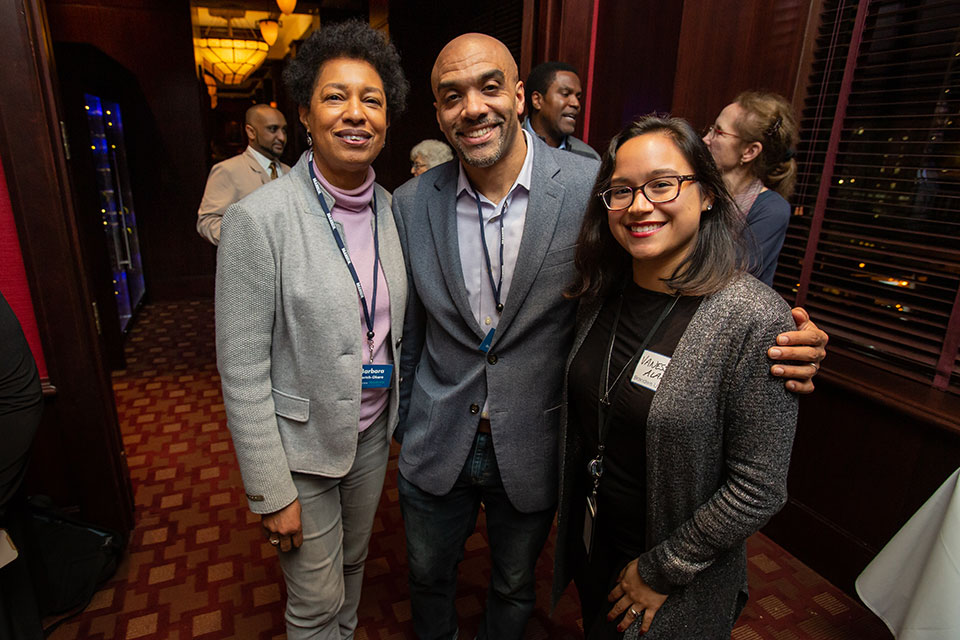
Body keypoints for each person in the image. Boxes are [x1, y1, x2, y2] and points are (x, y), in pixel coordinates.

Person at [393, 34, 824, 640]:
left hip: (537, 441)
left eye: (490, 86)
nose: (473, 107)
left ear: (519, 96)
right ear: (437, 113)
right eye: (451, 96)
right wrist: (403, 420)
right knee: (427, 577)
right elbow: (410, 330)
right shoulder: (410, 203)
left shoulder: (591, 182)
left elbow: (664, 277)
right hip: (436, 439)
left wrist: (780, 336)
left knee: (516, 585)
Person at [553, 115, 799, 639]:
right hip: (595, 540)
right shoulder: (600, 294)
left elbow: (759, 487)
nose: (639, 205)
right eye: (621, 191)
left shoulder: (752, 319)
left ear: (707, 194)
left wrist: (659, 569)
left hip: (671, 572)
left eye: (662, 184)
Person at [215, 20, 409, 639]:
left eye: (372, 100)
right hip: (301, 451)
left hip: (371, 434)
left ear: (387, 117)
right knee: (314, 600)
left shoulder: (394, 209)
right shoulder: (257, 220)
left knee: (352, 568)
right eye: (335, 96)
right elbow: (242, 373)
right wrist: (271, 491)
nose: (356, 114)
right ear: (305, 113)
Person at [703, 91, 799, 286]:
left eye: (718, 132)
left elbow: (724, 275)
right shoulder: (699, 189)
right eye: (711, 128)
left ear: (749, 151)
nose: (705, 138)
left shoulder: (772, 209)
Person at [197, 104, 290, 245]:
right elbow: (207, 222)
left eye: (284, 130)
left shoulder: (290, 172)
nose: (282, 137)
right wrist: (248, 241)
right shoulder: (228, 170)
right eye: (273, 129)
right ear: (251, 132)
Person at [523, 61, 600, 160]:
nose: (576, 104)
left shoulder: (589, 157)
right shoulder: (508, 147)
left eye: (578, 97)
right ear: (537, 100)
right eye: (565, 94)